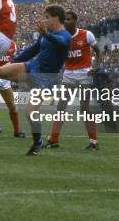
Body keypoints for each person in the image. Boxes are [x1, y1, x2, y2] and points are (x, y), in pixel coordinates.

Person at [0, 5, 71, 155]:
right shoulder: (46, 34)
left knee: (29, 111)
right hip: (32, 67)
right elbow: (32, 50)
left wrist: (46, 34)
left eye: (46, 17)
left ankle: (37, 142)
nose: (44, 20)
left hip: (46, 78)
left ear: (56, 17)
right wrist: (12, 62)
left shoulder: (64, 35)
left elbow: (61, 43)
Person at [44, 11, 102, 151]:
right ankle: (53, 140)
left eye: (69, 19)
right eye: (65, 20)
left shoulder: (86, 35)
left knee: (84, 109)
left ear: (75, 20)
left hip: (84, 75)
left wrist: (96, 67)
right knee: (61, 107)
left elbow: (98, 52)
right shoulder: (60, 37)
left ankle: (94, 142)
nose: (66, 22)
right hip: (68, 74)